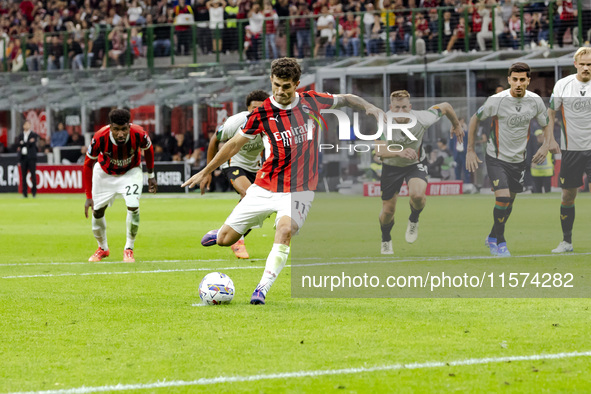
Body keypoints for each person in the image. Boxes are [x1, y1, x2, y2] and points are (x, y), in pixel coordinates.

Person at [182, 57, 385, 305]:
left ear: (297, 84)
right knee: (226, 240)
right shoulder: (262, 113)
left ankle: (262, 289)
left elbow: (347, 98)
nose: (280, 91)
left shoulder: (312, 101)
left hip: (299, 189)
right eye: (276, 85)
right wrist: (206, 170)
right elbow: (234, 144)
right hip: (265, 186)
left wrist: (369, 107)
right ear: (271, 81)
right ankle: (221, 233)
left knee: (286, 230)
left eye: (286, 86)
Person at [466, 62, 551, 257]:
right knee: (502, 197)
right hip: (496, 157)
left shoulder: (535, 101)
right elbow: (474, 119)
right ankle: (500, 242)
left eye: (522, 79)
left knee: (509, 202)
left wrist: (546, 145)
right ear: (508, 80)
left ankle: (491, 235)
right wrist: (470, 150)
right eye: (515, 79)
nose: (518, 83)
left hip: (518, 159)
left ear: (528, 80)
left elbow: (545, 123)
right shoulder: (496, 100)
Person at [374, 90, 463, 255]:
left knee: (417, 195)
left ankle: (414, 219)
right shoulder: (383, 121)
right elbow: (379, 151)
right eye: (396, 107)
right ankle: (386, 238)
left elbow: (445, 107)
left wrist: (456, 124)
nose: (400, 112)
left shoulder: (423, 118)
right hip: (391, 166)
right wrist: (399, 152)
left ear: (410, 107)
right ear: (390, 107)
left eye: (404, 107)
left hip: (414, 163)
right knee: (388, 212)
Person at [83, 109, 158, 263]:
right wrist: (88, 196)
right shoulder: (99, 137)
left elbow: (149, 150)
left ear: (129, 126)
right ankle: (102, 248)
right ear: (110, 127)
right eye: (116, 129)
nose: (120, 134)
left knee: (133, 206)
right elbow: (87, 164)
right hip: (104, 174)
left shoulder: (139, 134)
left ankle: (129, 249)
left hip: (130, 172)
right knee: (97, 212)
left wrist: (151, 176)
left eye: (124, 129)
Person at [204, 89, 269, 259]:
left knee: (262, 206)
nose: (257, 112)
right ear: (247, 108)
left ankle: (228, 233)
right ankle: (237, 240)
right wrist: (208, 171)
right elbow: (214, 140)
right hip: (233, 163)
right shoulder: (235, 122)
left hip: (256, 168)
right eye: (253, 108)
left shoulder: (271, 123)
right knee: (249, 195)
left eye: (261, 108)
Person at [548, 47, 591, 253]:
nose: (586, 68)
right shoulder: (563, 85)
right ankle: (567, 242)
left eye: (589, 65)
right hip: (570, 149)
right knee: (567, 196)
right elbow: (551, 111)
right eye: (582, 64)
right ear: (575, 64)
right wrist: (549, 137)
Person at [16, 121, 39, 198]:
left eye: (29, 124)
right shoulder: (20, 135)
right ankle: (24, 193)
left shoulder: (33, 134)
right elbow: (18, 144)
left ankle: (34, 192)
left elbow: (32, 143)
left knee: (33, 175)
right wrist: (27, 143)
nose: (27, 126)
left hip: (31, 157)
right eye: (26, 124)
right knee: (23, 176)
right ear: (23, 126)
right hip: (23, 157)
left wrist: (23, 143)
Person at [530, 129, 554, 193]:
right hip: (536, 173)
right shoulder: (532, 147)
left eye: (542, 136)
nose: (540, 138)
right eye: (538, 136)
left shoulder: (549, 146)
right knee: (537, 192)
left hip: (547, 173)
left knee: (548, 192)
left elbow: (553, 159)